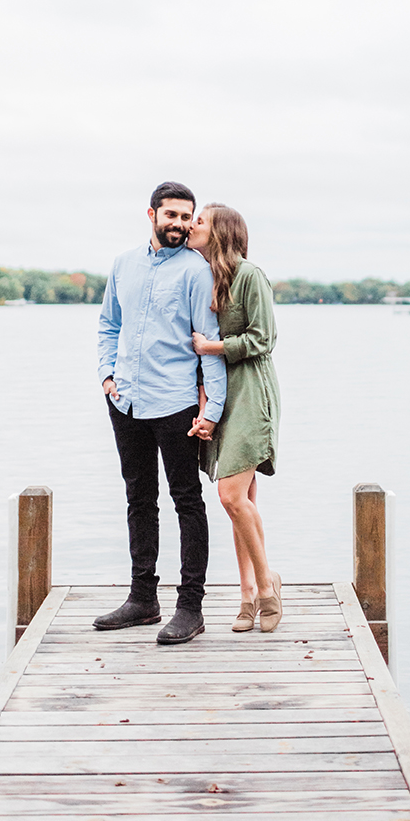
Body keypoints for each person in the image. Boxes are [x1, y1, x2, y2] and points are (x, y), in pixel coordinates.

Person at [96, 181, 227, 645]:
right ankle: (142, 599)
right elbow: (109, 325)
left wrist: (213, 407)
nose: (179, 224)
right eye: (170, 215)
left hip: (176, 403)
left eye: (186, 217)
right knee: (138, 498)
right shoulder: (123, 265)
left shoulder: (196, 270)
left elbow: (208, 343)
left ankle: (190, 607)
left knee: (187, 501)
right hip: (125, 400)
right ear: (151, 215)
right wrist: (106, 377)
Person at [187, 204, 282, 633]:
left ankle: (265, 588)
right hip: (220, 393)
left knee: (229, 495)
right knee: (241, 502)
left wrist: (214, 348)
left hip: (250, 392)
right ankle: (247, 592)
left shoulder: (250, 275)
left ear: (221, 231)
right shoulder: (207, 277)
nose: (192, 226)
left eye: (200, 221)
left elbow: (264, 338)